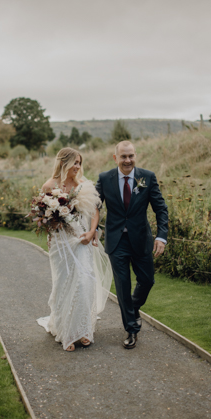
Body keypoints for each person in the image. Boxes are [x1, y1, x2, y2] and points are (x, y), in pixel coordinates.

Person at [37, 147, 113, 352]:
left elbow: (95, 210)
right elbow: (44, 217)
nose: (78, 167)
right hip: (61, 244)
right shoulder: (49, 186)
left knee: (84, 282)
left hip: (81, 240)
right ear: (63, 163)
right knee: (63, 284)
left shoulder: (84, 185)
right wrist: (49, 232)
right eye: (75, 162)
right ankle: (66, 333)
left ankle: (83, 331)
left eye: (80, 162)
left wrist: (91, 232)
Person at [95, 140, 168, 349]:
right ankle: (131, 329)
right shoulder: (105, 179)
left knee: (147, 281)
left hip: (140, 239)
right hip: (116, 241)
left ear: (135, 156)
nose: (128, 160)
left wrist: (161, 236)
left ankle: (133, 308)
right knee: (123, 286)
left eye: (131, 156)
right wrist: (93, 230)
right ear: (115, 157)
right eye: (123, 156)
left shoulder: (147, 177)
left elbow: (161, 209)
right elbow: (94, 207)